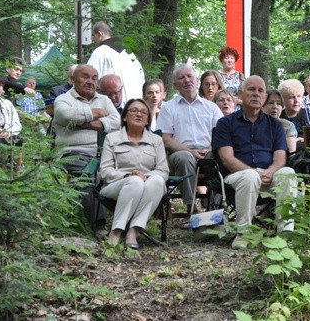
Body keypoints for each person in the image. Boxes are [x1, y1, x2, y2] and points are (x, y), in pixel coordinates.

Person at [212, 76, 297, 248]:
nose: (256, 94)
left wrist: (271, 171)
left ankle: (285, 234)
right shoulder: (225, 123)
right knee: (250, 176)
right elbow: (227, 159)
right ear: (241, 95)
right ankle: (244, 234)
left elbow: (281, 157)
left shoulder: (275, 125)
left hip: (268, 175)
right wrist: (256, 173)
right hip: (236, 177)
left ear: (265, 96)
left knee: (288, 173)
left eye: (260, 91)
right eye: (251, 89)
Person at [53, 64, 121, 229]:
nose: (90, 81)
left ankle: (127, 224)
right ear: (73, 79)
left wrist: (86, 124)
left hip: (106, 154)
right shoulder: (63, 99)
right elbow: (66, 115)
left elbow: (118, 122)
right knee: (91, 174)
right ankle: (99, 225)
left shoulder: (104, 99)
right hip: (73, 153)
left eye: (94, 78)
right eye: (85, 77)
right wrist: (96, 113)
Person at [99, 98, 169, 249]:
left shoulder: (156, 140)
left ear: (147, 120)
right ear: (124, 116)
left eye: (144, 112)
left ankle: (133, 231)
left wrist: (146, 176)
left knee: (157, 180)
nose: (139, 114)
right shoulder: (112, 138)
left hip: (149, 184)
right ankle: (116, 231)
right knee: (135, 182)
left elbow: (163, 170)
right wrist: (128, 176)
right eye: (134, 111)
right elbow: (105, 171)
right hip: (116, 185)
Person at [157, 64, 224, 219]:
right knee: (185, 158)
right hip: (180, 153)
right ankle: (191, 206)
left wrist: (211, 148)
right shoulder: (168, 107)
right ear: (175, 85)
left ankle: (220, 209)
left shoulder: (211, 107)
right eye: (181, 78)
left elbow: (222, 134)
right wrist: (190, 151)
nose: (187, 80)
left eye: (189, 76)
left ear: (197, 80)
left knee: (224, 157)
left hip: (208, 151)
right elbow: (166, 139)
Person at [87, 21, 145, 100]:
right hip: (134, 104)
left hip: (112, 103)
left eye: (93, 35)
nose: (93, 39)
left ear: (100, 34)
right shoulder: (130, 54)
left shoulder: (99, 53)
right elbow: (141, 79)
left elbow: (89, 78)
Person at [0, 76, 22, 145]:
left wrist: (8, 132)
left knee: (19, 142)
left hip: (6, 135)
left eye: (1, 85)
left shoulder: (7, 103)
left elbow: (17, 124)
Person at [278, 79, 310, 151]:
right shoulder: (278, 116)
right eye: (291, 97)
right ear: (283, 99)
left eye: (299, 96)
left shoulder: (309, 114)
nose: (296, 100)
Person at [263, 89, 298, 154]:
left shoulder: (288, 126)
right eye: (270, 103)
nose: (275, 107)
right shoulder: (255, 124)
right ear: (261, 106)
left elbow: (291, 153)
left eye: (279, 104)